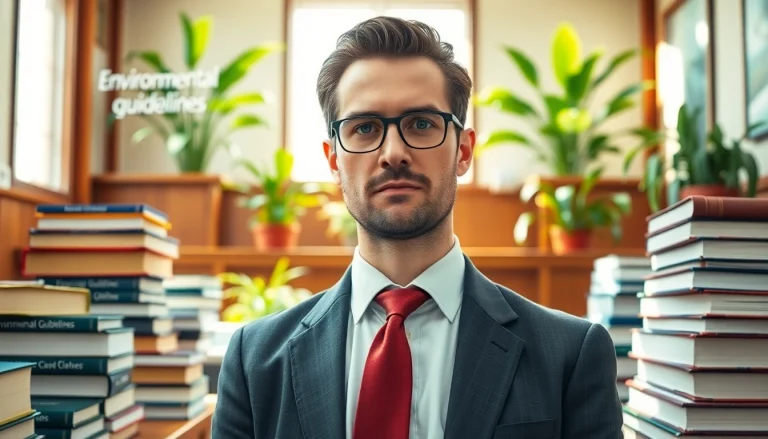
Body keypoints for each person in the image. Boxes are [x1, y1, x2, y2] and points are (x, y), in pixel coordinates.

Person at [212, 16, 623, 439]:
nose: (393, 153)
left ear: (463, 151)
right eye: (365, 128)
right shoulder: (254, 360)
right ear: (334, 159)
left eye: (421, 124)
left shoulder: (571, 355)